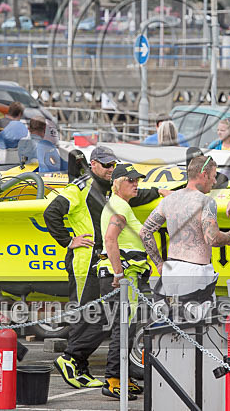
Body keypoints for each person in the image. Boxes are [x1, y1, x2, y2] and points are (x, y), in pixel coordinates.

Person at [44, 146, 167, 389]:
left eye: (113, 165)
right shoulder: (81, 187)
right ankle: (72, 360)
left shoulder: (110, 190)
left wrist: (159, 191)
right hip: (85, 259)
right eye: (106, 165)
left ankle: (77, 361)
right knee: (88, 313)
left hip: (101, 260)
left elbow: (133, 194)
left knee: (102, 315)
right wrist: (69, 241)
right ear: (93, 164)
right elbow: (52, 212)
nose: (111, 169)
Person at [139, 155, 230, 305]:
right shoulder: (206, 201)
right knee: (196, 324)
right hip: (196, 273)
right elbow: (212, 238)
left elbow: (144, 232)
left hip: (171, 269)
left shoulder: (169, 200)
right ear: (204, 175)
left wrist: (159, 263)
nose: (214, 181)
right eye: (213, 177)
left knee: (172, 323)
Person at [97, 164, 150, 400]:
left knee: (125, 328)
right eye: (131, 180)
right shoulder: (119, 206)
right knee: (122, 329)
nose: (136, 184)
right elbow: (110, 240)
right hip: (121, 278)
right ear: (118, 182)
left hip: (125, 276)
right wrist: (119, 273)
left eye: (137, 180)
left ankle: (123, 376)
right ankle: (113, 380)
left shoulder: (121, 205)